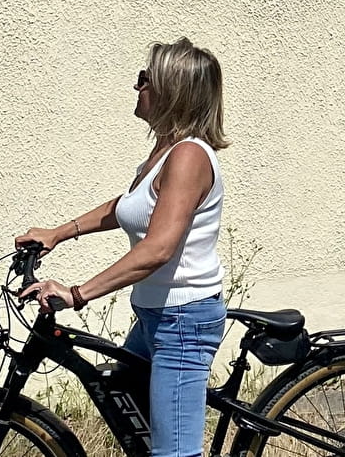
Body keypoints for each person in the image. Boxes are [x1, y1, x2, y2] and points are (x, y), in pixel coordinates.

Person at [19, 38, 229, 457]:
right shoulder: (164, 152)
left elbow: (158, 249)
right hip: (156, 315)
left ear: (171, 90)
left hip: (183, 321)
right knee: (124, 399)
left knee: (173, 453)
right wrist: (59, 232)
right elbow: (128, 207)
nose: (137, 88)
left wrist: (77, 294)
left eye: (144, 80)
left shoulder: (188, 157)